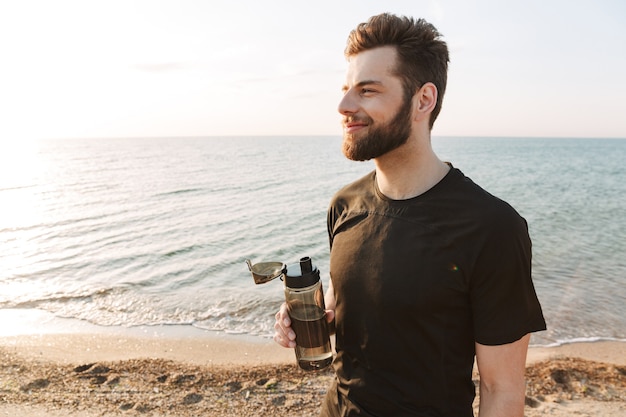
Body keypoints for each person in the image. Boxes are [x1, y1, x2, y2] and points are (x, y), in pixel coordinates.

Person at [274, 13, 546, 417]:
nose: (344, 105)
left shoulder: (492, 227)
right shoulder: (344, 205)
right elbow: (353, 302)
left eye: (367, 90)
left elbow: (501, 389)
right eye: (347, 89)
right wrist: (313, 316)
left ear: (423, 100)